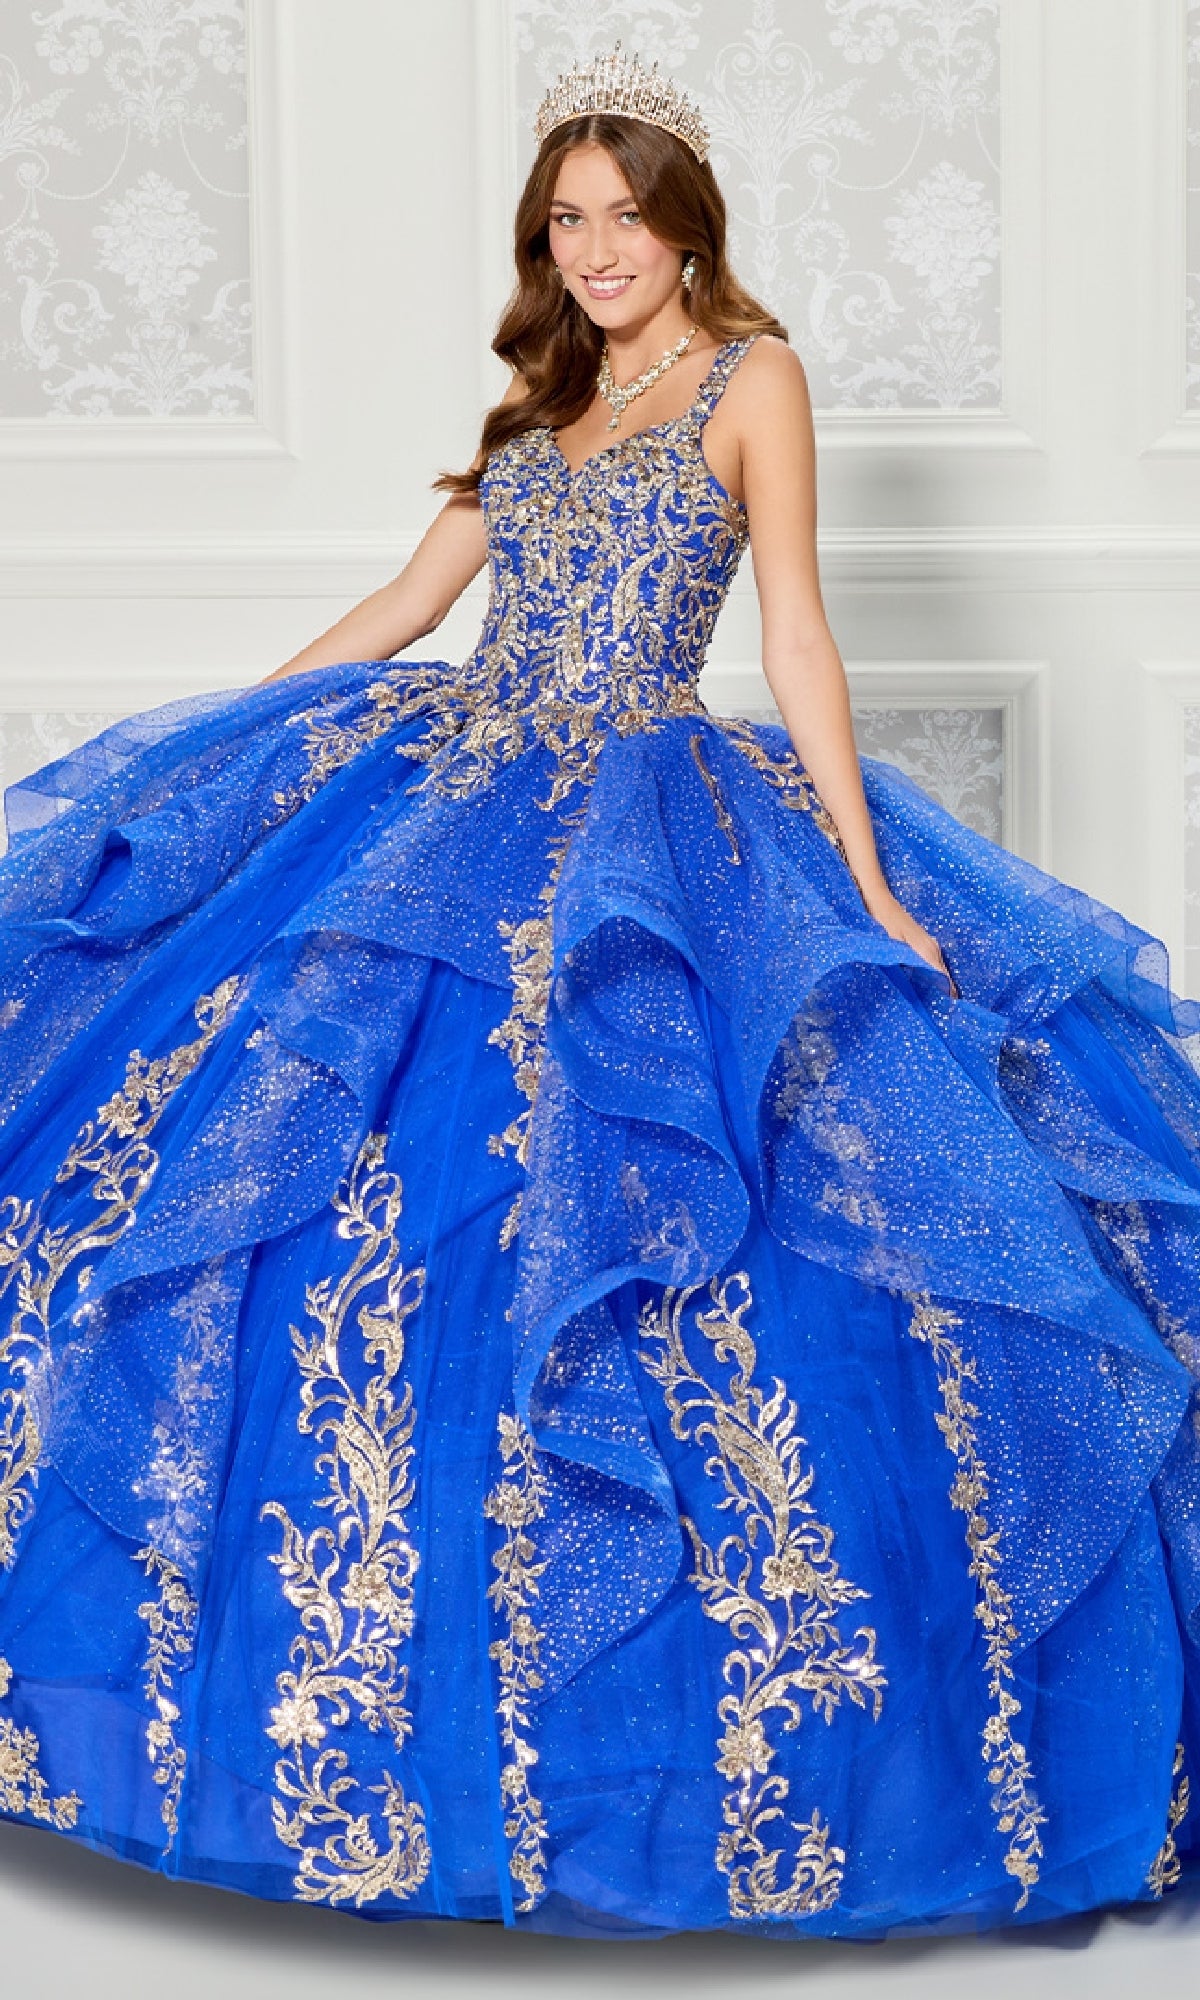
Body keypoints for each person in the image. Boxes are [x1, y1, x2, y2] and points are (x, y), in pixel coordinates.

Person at [0, 42, 1197, 1942]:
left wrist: (873, 885)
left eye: (622, 214)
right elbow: (407, 611)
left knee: (690, 1205)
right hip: (454, 783)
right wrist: (229, 750)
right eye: (565, 222)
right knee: (357, 1192)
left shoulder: (754, 378)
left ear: (683, 221)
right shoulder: (537, 400)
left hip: (659, 810)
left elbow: (792, 620)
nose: (595, 248)